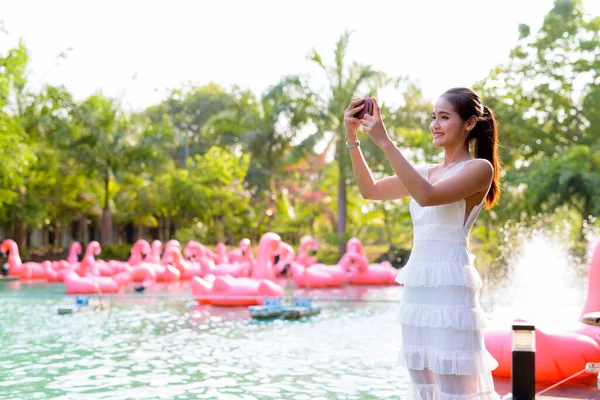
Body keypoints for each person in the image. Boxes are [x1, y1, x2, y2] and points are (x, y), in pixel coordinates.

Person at [344, 88, 501, 400]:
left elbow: (427, 197)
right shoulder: (424, 172)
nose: (435, 124)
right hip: (419, 287)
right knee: (422, 387)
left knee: (455, 387)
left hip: (450, 288)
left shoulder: (479, 169)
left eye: (444, 117)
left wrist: (386, 142)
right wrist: (352, 138)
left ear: (469, 123)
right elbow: (370, 190)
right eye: (433, 117)